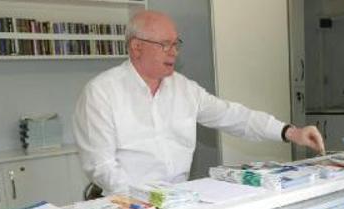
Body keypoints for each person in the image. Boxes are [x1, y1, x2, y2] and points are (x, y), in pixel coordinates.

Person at [73, 10, 324, 195]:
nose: (174, 51)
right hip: (128, 207)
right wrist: (151, 200)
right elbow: (102, 167)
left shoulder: (184, 89)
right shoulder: (101, 93)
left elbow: (234, 116)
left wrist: (291, 132)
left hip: (180, 202)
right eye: (165, 45)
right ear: (136, 48)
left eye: (176, 44)